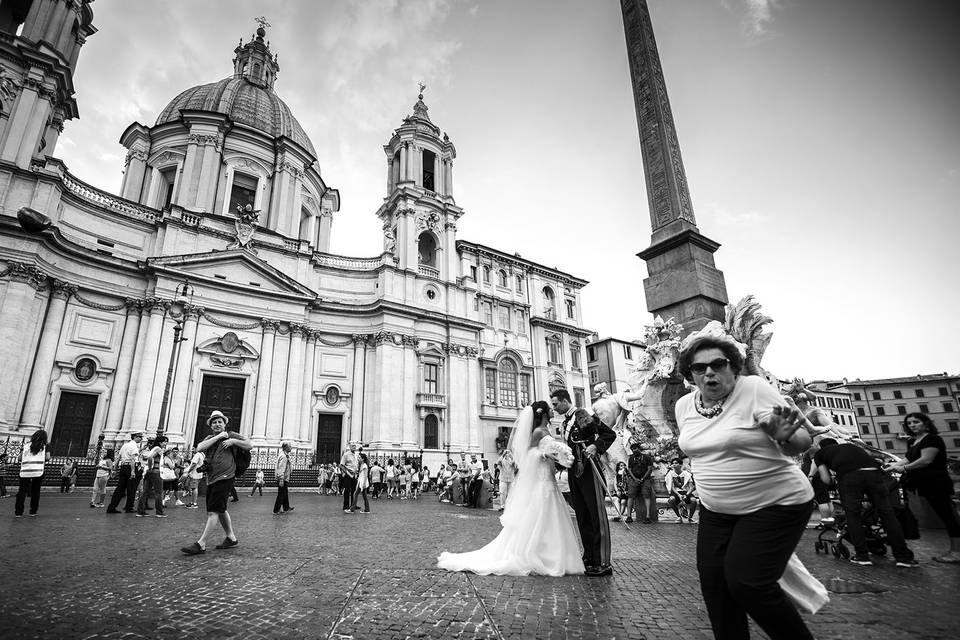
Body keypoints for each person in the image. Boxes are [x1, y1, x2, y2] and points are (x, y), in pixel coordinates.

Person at [675, 326, 816, 640]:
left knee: (748, 583)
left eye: (718, 364)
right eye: (700, 368)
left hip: (776, 503)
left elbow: (801, 441)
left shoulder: (753, 388)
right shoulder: (684, 406)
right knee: (715, 586)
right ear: (690, 374)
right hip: (716, 510)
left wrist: (786, 437)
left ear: (733, 367)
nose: (709, 373)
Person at [437, 401, 583, 576]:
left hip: (548, 475)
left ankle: (550, 553)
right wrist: (544, 454)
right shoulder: (537, 432)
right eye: (550, 408)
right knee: (540, 513)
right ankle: (538, 554)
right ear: (543, 413)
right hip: (541, 478)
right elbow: (528, 454)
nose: (553, 410)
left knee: (550, 514)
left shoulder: (546, 431)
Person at [815, 437, 916, 566]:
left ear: (820, 446)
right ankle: (903, 557)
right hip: (875, 475)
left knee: (853, 515)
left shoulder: (820, 454)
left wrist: (835, 481)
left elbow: (826, 479)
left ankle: (862, 555)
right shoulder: (851, 447)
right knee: (887, 514)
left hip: (849, 477)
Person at [551, 389, 617, 577]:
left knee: (596, 515)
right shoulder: (565, 422)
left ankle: (602, 561)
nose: (554, 408)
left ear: (565, 401)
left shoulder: (582, 414)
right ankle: (589, 556)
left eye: (556, 404)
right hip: (574, 471)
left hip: (590, 470)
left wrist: (595, 446)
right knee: (582, 515)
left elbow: (608, 434)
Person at [887, 413, 960, 563]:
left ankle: (956, 551)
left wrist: (905, 468)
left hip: (936, 483)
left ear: (926, 424)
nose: (912, 425)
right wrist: (892, 466)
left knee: (949, 516)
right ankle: (954, 550)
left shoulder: (932, 439)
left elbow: (926, 460)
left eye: (916, 422)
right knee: (944, 516)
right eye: (909, 423)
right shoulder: (913, 441)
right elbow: (908, 458)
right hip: (923, 484)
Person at [180, 410, 252, 555]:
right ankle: (231, 538)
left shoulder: (232, 435)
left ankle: (201, 544)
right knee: (221, 509)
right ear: (211, 425)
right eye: (214, 422)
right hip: (212, 478)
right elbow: (199, 447)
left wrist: (233, 441)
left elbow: (249, 445)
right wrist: (219, 436)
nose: (217, 424)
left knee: (213, 511)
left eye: (220, 422)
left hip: (226, 476)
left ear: (225, 424)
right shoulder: (210, 437)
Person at [15, 430, 50, 517]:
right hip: (38, 471)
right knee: (35, 491)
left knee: (22, 491)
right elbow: (48, 457)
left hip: (25, 471)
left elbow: (19, 458)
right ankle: (33, 511)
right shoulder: (46, 446)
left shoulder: (26, 445)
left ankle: (18, 512)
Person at [106, 431, 143, 513]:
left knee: (120, 488)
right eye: (140, 437)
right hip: (131, 467)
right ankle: (129, 507)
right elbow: (133, 459)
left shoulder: (125, 445)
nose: (141, 439)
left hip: (123, 467)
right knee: (131, 489)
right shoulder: (134, 446)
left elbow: (118, 458)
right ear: (135, 437)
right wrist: (133, 471)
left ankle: (111, 507)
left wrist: (114, 469)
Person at [136, 435, 167, 518]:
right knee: (158, 492)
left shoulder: (153, 448)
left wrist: (149, 468)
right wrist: (150, 467)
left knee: (145, 492)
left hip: (149, 473)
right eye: (164, 441)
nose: (165, 443)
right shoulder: (158, 449)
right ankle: (159, 512)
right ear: (160, 442)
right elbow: (150, 457)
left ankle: (140, 511)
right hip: (156, 472)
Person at [625, 443, 654, 524]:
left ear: (639, 449)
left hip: (645, 479)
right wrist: (635, 479)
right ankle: (629, 516)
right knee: (630, 496)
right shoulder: (631, 458)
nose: (635, 450)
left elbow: (650, 469)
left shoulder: (647, 457)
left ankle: (648, 517)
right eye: (633, 449)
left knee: (647, 496)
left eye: (636, 448)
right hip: (634, 480)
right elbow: (629, 469)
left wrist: (642, 478)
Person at [664, 458, 698, 523]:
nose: (674, 464)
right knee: (671, 499)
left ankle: (690, 518)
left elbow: (691, 487)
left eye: (676, 463)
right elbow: (672, 487)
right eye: (673, 463)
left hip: (686, 492)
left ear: (680, 465)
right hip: (676, 493)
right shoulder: (670, 474)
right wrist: (679, 495)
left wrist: (686, 494)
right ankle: (679, 517)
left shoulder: (686, 474)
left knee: (694, 500)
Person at [273, 442, 294, 515]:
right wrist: (281, 479)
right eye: (290, 446)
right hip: (283, 478)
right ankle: (276, 510)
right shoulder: (284, 457)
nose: (291, 447)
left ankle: (286, 507)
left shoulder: (284, 455)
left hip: (284, 478)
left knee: (285, 493)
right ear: (286, 448)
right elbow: (281, 468)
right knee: (281, 494)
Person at [340, 442, 359, 513]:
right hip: (348, 474)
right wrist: (346, 472)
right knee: (347, 490)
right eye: (353, 446)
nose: (354, 447)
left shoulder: (356, 455)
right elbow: (341, 465)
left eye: (355, 446)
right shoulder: (346, 454)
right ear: (350, 447)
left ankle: (353, 505)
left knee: (354, 491)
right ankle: (346, 505)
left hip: (354, 475)